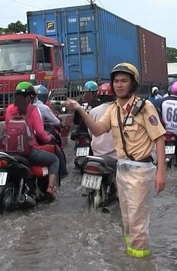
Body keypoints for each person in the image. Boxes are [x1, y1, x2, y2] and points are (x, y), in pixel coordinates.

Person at [66, 62, 166, 258]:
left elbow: (159, 137)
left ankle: (141, 261)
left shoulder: (144, 107)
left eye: (124, 81)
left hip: (141, 170)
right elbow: (96, 130)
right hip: (121, 169)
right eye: (116, 81)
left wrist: (161, 172)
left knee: (138, 223)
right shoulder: (112, 109)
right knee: (127, 221)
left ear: (132, 84)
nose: (119, 85)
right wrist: (79, 109)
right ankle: (131, 259)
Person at [4, 82, 59, 199]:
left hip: (9, 151)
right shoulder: (33, 110)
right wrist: (49, 138)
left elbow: (7, 127)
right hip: (28, 151)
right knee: (54, 160)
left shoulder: (9, 109)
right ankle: (50, 189)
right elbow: (40, 132)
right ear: (30, 97)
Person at [33, 85, 67, 177]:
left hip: (26, 140)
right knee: (55, 150)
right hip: (38, 136)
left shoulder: (16, 108)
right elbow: (54, 122)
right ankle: (62, 172)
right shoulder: (42, 108)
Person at [88, 83, 117, 159]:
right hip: (116, 155)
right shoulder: (119, 110)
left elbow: (91, 132)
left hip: (97, 153)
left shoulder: (93, 111)